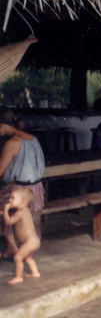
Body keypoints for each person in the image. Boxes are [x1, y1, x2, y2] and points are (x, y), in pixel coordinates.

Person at [0, 107, 45, 263]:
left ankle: (12, 247)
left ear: (1, 126)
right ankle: (13, 247)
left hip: (21, 192)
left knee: (2, 208)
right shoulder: (33, 138)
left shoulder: (12, 143)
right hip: (36, 192)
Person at [4, 187, 41, 284]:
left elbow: (8, 221)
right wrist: (3, 213)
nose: (9, 200)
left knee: (17, 258)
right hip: (35, 241)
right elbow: (11, 216)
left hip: (30, 242)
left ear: (22, 200)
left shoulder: (20, 213)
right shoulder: (25, 211)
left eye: (12, 198)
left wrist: (5, 209)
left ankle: (18, 277)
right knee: (28, 258)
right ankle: (35, 272)